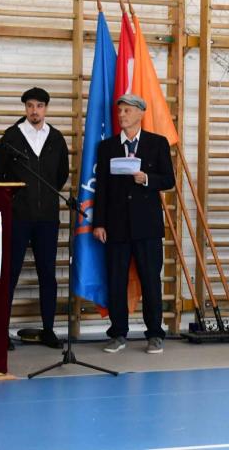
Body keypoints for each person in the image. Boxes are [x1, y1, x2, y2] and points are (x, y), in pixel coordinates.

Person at [0, 87, 69, 349]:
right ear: (25, 108)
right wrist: (15, 201)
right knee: (9, 274)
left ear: (46, 108)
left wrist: (45, 197)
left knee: (48, 274)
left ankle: (49, 330)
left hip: (47, 218)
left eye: (39, 106)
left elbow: (61, 175)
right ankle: (0, 332)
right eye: (30, 106)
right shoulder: (10, 137)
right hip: (18, 217)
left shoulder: (56, 138)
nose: (35, 111)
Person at [93, 94, 175, 354]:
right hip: (116, 225)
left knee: (151, 281)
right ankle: (118, 333)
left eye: (127, 111)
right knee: (116, 281)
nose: (121, 115)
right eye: (120, 111)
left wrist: (146, 179)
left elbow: (169, 179)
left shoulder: (157, 143)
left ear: (141, 113)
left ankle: (155, 334)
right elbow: (101, 188)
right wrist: (99, 223)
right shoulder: (107, 147)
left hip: (147, 226)